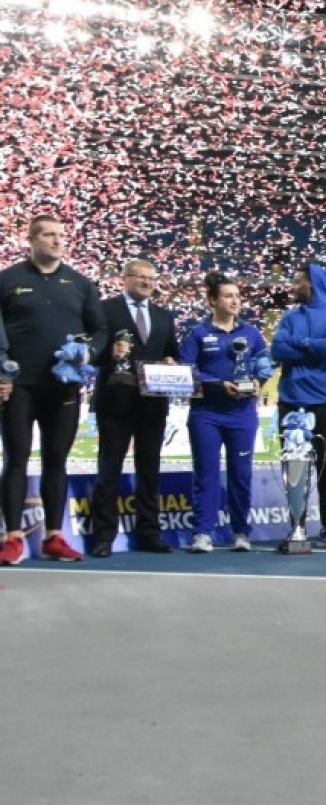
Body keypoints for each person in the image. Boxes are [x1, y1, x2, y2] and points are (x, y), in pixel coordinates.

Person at [0, 215, 107, 564]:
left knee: (56, 461)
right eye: (48, 235)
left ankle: (53, 537)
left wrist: (89, 351)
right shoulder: (8, 280)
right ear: (30, 239)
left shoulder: (80, 284)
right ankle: (12, 536)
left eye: (61, 235)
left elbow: (100, 330)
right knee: (16, 459)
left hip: (63, 388)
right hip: (19, 387)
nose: (57, 241)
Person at [89, 258, 180, 557]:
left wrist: (171, 363)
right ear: (124, 278)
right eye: (140, 277)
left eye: (151, 278)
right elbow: (91, 352)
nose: (146, 282)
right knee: (109, 470)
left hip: (153, 405)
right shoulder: (105, 310)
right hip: (115, 404)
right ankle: (103, 536)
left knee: (149, 471)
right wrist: (109, 353)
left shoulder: (165, 316)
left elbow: (172, 354)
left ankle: (149, 533)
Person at [180, 272, 270, 553]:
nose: (235, 300)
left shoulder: (252, 334)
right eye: (228, 296)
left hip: (242, 414)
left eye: (238, 296)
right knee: (205, 473)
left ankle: (241, 531)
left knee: (240, 474)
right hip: (206, 414)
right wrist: (219, 385)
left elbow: (264, 364)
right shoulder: (198, 334)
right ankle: (202, 533)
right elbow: (186, 373)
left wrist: (258, 381)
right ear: (212, 300)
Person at [271, 262, 326, 549]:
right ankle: (297, 526)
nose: (293, 287)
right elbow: (277, 349)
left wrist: (300, 344)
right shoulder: (290, 316)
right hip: (291, 402)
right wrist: (313, 344)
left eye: (297, 281)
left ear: (313, 283)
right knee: (294, 469)